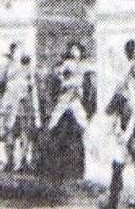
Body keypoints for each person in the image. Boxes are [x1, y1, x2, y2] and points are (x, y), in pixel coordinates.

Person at [101, 40, 135, 209]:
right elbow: (110, 108)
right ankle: (114, 202)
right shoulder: (126, 85)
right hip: (127, 129)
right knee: (120, 166)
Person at [42, 42, 96, 182]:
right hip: (65, 97)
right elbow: (58, 74)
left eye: (77, 50)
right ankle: (48, 164)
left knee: (84, 127)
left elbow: (92, 69)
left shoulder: (83, 65)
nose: (75, 53)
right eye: (73, 50)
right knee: (53, 125)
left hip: (75, 100)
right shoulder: (66, 64)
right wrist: (63, 75)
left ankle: (86, 163)